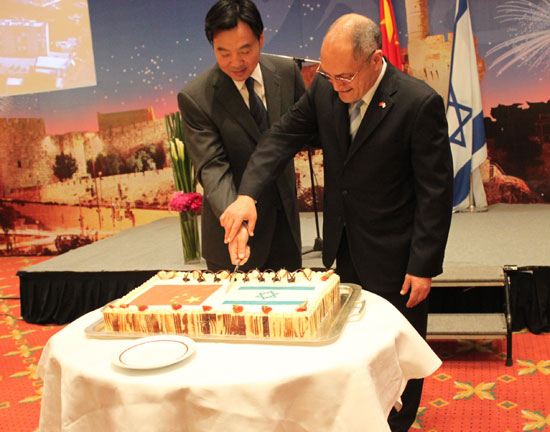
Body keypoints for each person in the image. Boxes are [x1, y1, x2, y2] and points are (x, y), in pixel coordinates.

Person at [220, 13, 453, 431]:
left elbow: (435, 193)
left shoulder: (418, 104)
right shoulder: (326, 92)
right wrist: (246, 195)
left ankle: (398, 424)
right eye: (328, 75)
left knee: (398, 357)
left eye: (345, 76)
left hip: (397, 257)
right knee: (352, 352)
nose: (336, 85)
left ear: (376, 60)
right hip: (343, 249)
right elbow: (279, 139)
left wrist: (424, 264)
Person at [177, 0, 306, 272]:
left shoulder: (286, 73)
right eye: (223, 53)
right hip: (233, 236)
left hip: (284, 228)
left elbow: (300, 133)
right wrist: (237, 220)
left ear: (261, 38)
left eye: (245, 50)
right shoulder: (197, 96)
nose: (235, 62)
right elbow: (212, 167)